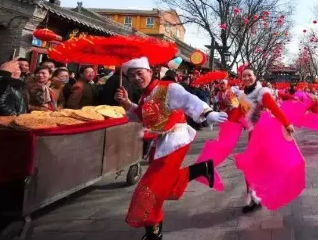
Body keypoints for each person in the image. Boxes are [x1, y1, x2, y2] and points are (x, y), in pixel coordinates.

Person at [114, 57, 228, 240]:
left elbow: (189, 100)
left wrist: (208, 114)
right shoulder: (145, 96)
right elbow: (142, 116)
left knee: (149, 189)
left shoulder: (169, 88)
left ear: (150, 72)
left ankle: (154, 235)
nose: (136, 78)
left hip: (175, 141)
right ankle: (201, 169)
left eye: (139, 73)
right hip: (159, 143)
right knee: (166, 184)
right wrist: (126, 102)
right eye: (131, 75)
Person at [228, 67, 295, 213]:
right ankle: (253, 196)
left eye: (249, 75)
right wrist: (227, 125)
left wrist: (287, 123)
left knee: (261, 165)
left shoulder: (262, 92)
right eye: (244, 76)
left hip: (266, 134)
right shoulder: (242, 96)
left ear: (255, 76)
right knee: (251, 165)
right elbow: (238, 113)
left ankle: (260, 192)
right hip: (253, 135)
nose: (246, 78)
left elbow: (275, 108)